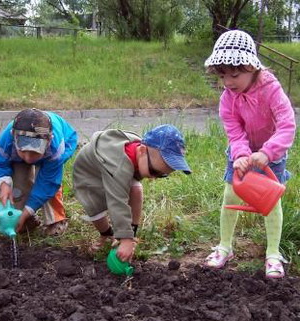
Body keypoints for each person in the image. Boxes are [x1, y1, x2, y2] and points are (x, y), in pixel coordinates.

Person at [203, 30, 296, 278]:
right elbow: (234, 131)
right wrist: (241, 155)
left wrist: (268, 152)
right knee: (230, 195)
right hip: (241, 154)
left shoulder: (271, 90)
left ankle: (273, 254)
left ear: (252, 67)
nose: (228, 82)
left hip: (271, 156)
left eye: (235, 75)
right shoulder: (227, 98)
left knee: (270, 203)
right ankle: (224, 246)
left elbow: (287, 125)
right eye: (223, 76)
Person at [73, 124, 191, 262]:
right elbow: (117, 203)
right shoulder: (119, 167)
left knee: (136, 189)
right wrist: (125, 239)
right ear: (141, 151)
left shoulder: (141, 153)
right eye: (153, 171)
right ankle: (106, 234)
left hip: (116, 169)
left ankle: (132, 232)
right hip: (88, 174)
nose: (153, 177)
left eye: (162, 175)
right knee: (94, 208)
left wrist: (130, 235)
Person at [0, 108, 78, 236]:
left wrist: (27, 211)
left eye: (34, 152)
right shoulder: (7, 140)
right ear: (13, 136)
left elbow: (47, 183)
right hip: (20, 158)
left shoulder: (56, 149)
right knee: (18, 184)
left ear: (49, 140)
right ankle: (28, 220)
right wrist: (3, 183)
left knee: (50, 187)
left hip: (56, 150)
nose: (28, 158)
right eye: (23, 151)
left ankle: (55, 220)